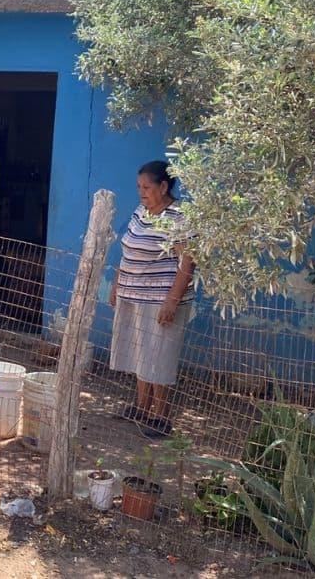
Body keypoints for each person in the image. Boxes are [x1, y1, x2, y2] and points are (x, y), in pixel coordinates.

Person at [109, 160, 195, 439]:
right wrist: (117, 283)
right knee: (139, 352)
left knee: (159, 355)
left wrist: (171, 301)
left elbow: (187, 263)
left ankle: (161, 416)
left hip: (160, 299)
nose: (141, 192)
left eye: (146, 187)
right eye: (139, 187)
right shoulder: (141, 211)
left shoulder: (180, 216)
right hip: (134, 294)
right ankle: (142, 407)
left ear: (164, 186)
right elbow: (128, 249)